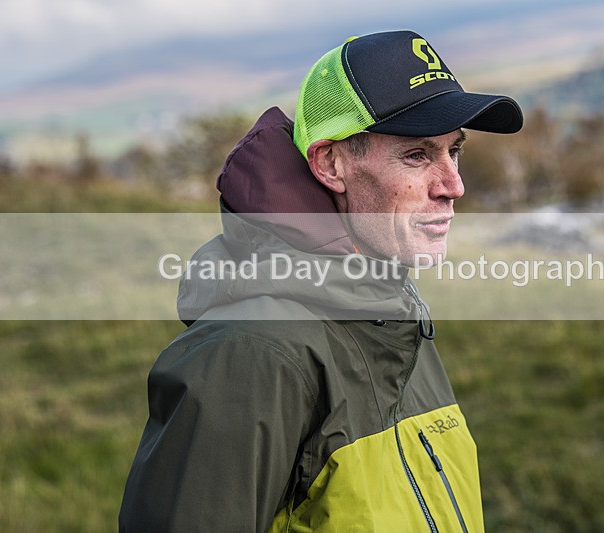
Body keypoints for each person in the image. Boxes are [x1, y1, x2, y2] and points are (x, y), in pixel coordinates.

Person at [119, 30, 522, 532]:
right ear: (331, 163)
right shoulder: (250, 353)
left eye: (453, 151)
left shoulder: (391, 314)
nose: (453, 186)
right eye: (417, 156)